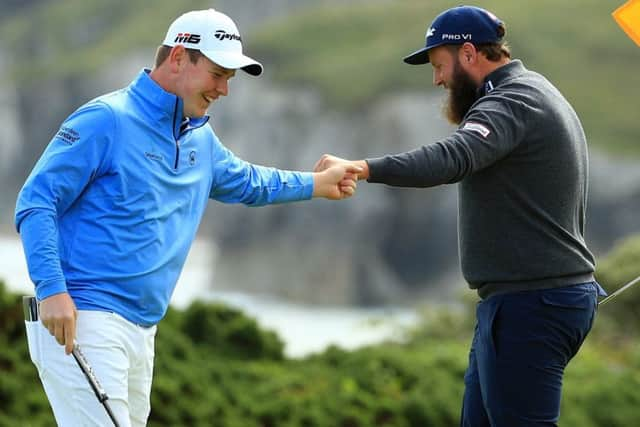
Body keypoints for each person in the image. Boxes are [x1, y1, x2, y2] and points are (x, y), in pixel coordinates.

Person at [15, 8, 360, 427]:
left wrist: (316, 183)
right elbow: (36, 201)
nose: (224, 89)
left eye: (229, 78)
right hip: (83, 318)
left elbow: (249, 182)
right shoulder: (106, 119)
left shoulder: (201, 138)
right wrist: (51, 290)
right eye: (217, 73)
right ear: (179, 58)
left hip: (143, 330)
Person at [314, 5, 606, 427]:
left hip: (532, 304)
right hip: (526, 300)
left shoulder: (513, 101)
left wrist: (364, 167)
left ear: (468, 54)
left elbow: (452, 158)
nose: (437, 79)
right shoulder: (533, 89)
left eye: (438, 66)